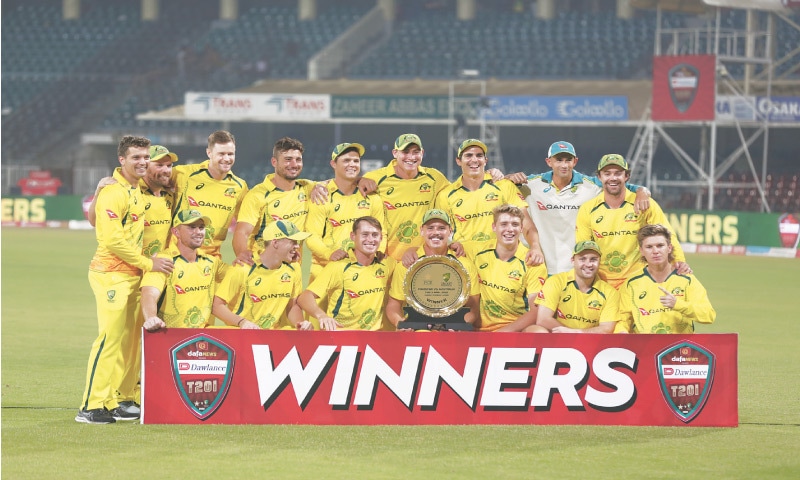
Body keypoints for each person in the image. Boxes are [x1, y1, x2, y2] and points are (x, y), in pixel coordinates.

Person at [77, 136, 174, 425]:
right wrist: (148, 263)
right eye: (136, 157)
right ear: (122, 160)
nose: (143, 162)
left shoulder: (133, 189)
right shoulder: (115, 191)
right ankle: (91, 406)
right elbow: (110, 237)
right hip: (111, 274)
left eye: (145, 157)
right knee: (109, 339)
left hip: (132, 275)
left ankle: (116, 400)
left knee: (129, 342)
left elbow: (96, 220)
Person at [505, 141, 650, 275]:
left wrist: (642, 191)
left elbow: (621, 185)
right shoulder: (530, 185)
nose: (564, 165)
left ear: (575, 161)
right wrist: (509, 177)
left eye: (568, 160)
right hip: (538, 265)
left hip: (575, 268)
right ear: (549, 162)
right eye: (559, 160)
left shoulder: (590, 185)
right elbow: (503, 186)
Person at [575, 154, 687, 289]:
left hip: (639, 280)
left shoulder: (644, 203)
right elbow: (583, 248)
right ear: (600, 177)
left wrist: (679, 261)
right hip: (602, 283)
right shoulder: (588, 209)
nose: (613, 178)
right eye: (607, 173)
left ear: (626, 176)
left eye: (618, 173)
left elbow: (667, 235)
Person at [435, 139, 544, 266]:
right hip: (465, 261)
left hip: (501, 262)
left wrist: (535, 246)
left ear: (485, 160)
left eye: (479, 155)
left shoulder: (504, 186)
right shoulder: (446, 195)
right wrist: (450, 243)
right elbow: (439, 231)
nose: (474, 160)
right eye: (468, 155)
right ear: (458, 161)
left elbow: (525, 223)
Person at [172, 130, 249, 282]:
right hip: (178, 258)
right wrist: (116, 179)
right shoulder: (184, 174)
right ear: (209, 152)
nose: (226, 159)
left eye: (230, 154)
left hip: (212, 262)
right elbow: (149, 178)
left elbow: (247, 224)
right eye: (221, 154)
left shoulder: (240, 187)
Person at [362, 134, 451, 262]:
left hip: (422, 258)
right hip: (387, 259)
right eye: (405, 152)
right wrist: (357, 180)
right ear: (395, 153)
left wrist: (488, 175)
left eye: (416, 152)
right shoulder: (376, 178)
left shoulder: (434, 177)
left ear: (422, 153)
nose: (411, 157)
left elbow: (460, 189)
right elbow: (345, 183)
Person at [305, 143, 387, 281]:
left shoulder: (372, 197)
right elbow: (312, 235)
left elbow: (382, 232)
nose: (352, 164)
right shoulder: (321, 195)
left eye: (356, 161)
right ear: (333, 164)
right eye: (346, 160)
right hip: (326, 270)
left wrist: (378, 252)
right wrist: (329, 253)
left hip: (361, 270)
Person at [297, 216, 396, 331]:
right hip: (340, 337)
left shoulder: (388, 264)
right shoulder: (338, 267)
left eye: (375, 235)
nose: (370, 239)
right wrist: (322, 316)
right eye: (364, 234)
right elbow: (304, 297)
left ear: (381, 238)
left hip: (373, 339)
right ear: (353, 236)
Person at [386, 209, 480, 329]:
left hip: (452, 335)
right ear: (421, 231)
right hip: (417, 333)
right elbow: (393, 305)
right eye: (430, 228)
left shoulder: (465, 265)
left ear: (450, 232)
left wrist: (460, 326)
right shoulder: (407, 265)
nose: (436, 232)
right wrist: (401, 324)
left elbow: (473, 308)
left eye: (441, 228)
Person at [615, 224, 716, 334]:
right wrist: (621, 332)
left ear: (669, 248)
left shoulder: (687, 279)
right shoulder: (631, 284)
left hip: (679, 348)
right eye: (649, 247)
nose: (655, 251)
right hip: (645, 347)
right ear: (641, 251)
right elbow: (623, 318)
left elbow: (708, 315)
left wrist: (678, 304)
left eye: (660, 245)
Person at [213, 220, 313, 330]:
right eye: (292, 242)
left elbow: (292, 305)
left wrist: (300, 324)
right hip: (241, 336)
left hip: (270, 337)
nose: (297, 246)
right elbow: (216, 306)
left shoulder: (294, 268)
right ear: (275, 243)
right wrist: (242, 322)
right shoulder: (242, 269)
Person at [463, 205, 547, 332]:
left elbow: (536, 311)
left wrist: (501, 333)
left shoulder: (532, 261)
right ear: (494, 227)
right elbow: (442, 249)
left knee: (539, 332)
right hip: (475, 329)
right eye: (504, 224)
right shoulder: (475, 250)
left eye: (515, 224)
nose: (510, 229)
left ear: (521, 228)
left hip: (513, 330)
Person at [232, 137, 315, 266]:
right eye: (288, 160)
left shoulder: (307, 188)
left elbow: (339, 184)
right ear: (274, 162)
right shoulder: (258, 194)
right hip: (263, 269)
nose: (294, 164)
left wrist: (359, 180)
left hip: (292, 271)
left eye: (298, 160)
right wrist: (242, 254)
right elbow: (242, 232)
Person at [140, 209, 223, 331]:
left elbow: (240, 277)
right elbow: (149, 294)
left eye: (201, 227)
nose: (198, 232)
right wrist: (151, 317)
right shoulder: (163, 261)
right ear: (176, 232)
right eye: (191, 227)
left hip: (202, 337)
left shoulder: (211, 262)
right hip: (170, 336)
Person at [533, 241, 620, 333]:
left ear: (600, 262)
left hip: (589, 341)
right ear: (572, 261)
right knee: (537, 330)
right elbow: (543, 319)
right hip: (558, 337)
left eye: (593, 259)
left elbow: (606, 329)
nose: (588, 264)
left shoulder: (610, 292)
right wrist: (570, 333)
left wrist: (576, 333)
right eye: (582, 259)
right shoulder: (556, 281)